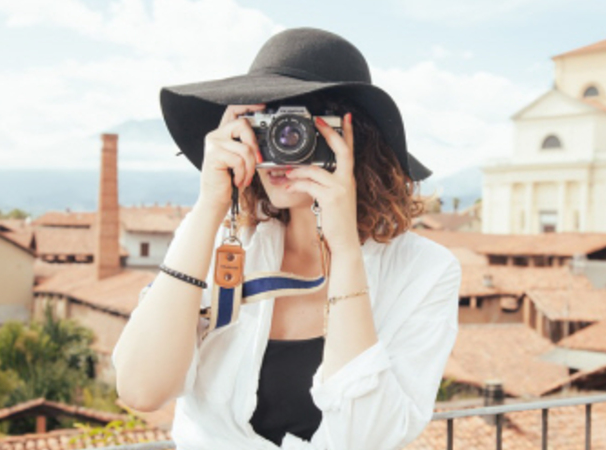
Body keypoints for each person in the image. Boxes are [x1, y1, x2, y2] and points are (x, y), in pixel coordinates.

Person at [112, 27, 462, 450]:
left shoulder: (426, 272)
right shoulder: (217, 240)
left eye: (300, 130)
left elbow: (365, 439)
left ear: (354, 139)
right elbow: (141, 390)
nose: (281, 147)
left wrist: (344, 252)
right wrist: (210, 206)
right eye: (265, 127)